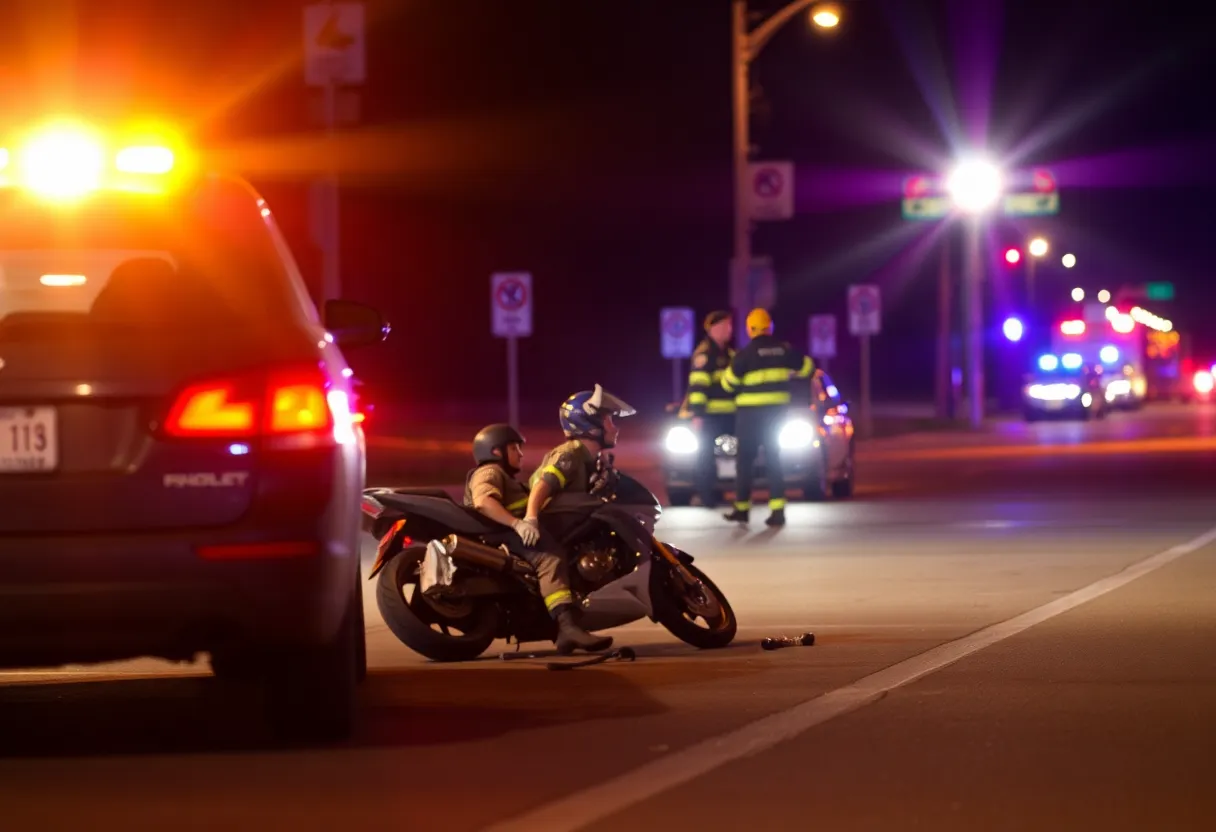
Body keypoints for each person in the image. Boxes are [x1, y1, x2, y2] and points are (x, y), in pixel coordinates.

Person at [463, 423, 610, 654]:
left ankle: (556, 625)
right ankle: (567, 627)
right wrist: (518, 523)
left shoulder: (503, 476)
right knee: (550, 559)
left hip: (509, 532)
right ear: (496, 451)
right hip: (504, 534)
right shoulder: (490, 471)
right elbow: (484, 502)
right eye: (514, 448)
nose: (520, 454)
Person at [720, 308, 814, 527]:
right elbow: (809, 368)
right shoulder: (785, 350)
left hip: (749, 417)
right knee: (774, 460)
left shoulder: (744, 355)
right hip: (776, 415)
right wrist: (791, 374)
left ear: (750, 329)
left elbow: (728, 384)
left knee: (744, 463)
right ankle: (778, 511)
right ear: (770, 327)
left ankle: (742, 510)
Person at [685, 310, 736, 507]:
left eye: (730, 325)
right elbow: (697, 388)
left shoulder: (730, 354)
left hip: (731, 415)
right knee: (706, 456)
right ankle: (707, 496)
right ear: (713, 329)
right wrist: (698, 415)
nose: (728, 330)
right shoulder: (704, 355)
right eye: (724, 325)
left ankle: (727, 491)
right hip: (710, 416)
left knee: (733, 454)